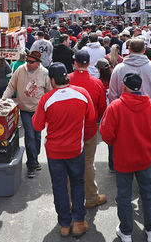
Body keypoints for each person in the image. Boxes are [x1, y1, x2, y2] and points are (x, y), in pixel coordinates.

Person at [32, 63, 95, 237]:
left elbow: (37, 125)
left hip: (54, 151)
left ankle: (65, 224)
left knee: (59, 186)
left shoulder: (47, 99)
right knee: (77, 183)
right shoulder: (82, 94)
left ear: (52, 80)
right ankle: (79, 221)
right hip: (76, 148)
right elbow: (91, 117)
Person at [101, 73, 151, 242]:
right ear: (140, 87)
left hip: (123, 158)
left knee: (124, 196)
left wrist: (117, 142)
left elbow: (106, 134)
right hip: (146, 157)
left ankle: (126, 231)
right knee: (149, 194)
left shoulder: (115, 106)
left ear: (124, 86)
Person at [3, 50, 52, 178]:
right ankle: (31, 164)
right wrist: (3, 99)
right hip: (24, 109)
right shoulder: (20, 70)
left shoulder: (45, 73)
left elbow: (49, 91)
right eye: (27, 61)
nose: (28, 63)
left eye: (31, 62)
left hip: (38, 110)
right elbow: (11, 86)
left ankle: (34, 158)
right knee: (29, 135)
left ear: (38, 63)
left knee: (37, 136)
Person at [69, 51, 107, 209]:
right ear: (89, 63)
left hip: (69, 128)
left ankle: (71, 200)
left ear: (75, 63)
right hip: (89, 127)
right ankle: (91, 197)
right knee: (88, 163)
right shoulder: (96, 83)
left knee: (70, 164)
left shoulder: (67, 79)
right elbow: (102, 107)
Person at [108, 38, 151, 112]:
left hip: (125, 115)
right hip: (149, 114)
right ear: (144, 50)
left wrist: (119, 111)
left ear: (129, 49)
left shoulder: (118, 69)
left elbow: (112, 94)